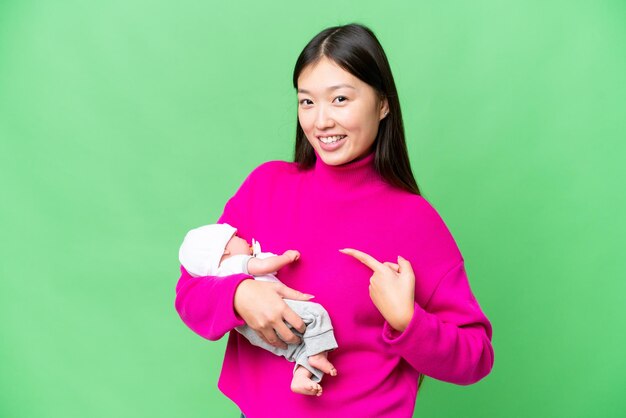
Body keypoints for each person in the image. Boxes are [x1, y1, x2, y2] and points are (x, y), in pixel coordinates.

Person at [175, 23, 494, 418]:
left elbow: (475, 357)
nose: (321, 121)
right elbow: (189, 292)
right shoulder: (265, 188)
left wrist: (408, 320)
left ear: (383, 104)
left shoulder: (415, 221)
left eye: (340, 99)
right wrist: (239, 295)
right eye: (307, 102)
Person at [177, 223, 338, 396]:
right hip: (279, 310)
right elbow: (263, 266)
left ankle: (301, 376)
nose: (245, 240)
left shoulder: (218, 276)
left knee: (297, 349)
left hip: (252, 329)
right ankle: (317, 357)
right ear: (224, 251)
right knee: (316, 315)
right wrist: (286, 257)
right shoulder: (236, 262)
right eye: (237, 238)